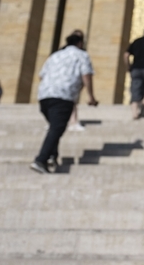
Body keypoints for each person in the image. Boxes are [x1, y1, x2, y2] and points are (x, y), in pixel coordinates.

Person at [31, 33, 98, 174]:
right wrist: (91, 96)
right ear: (80, 43)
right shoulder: (81, 55)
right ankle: (40, 159)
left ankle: (52, 156)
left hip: (44, 95)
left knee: (55, 127)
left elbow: (41, 75)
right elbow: (86, 74)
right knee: (57, 128)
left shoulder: (55, 55)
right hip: (63, 96)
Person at [66, 29, 87, 132]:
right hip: (64, 79)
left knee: (72, 101)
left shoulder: (82, 53)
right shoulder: (65, 51)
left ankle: (74, 121)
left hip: (74, 79)